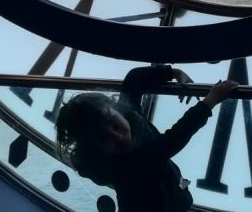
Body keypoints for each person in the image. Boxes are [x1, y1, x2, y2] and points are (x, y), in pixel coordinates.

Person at [56, 64, 238, 211]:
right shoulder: (130, 136)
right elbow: (176, 137)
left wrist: (173, 73)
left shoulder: (116, 161)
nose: (117, 136)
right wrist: (208, 99)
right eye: (104, 139)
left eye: (114, 124)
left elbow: (133, 80)